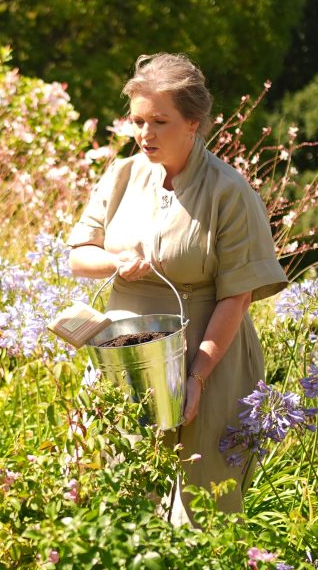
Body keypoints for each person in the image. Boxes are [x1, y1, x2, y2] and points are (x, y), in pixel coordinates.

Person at [68, 53, 288, 521]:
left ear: (194, 123)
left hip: (210, 355)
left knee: (206, 502)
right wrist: (114, 261)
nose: (144, 135)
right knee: (120, 494)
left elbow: (238, 295)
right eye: (137, 121)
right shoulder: (121, 175)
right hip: (125, 354)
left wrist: (195, 378)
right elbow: (78, 256)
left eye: (159, 122)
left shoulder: (230, 191)